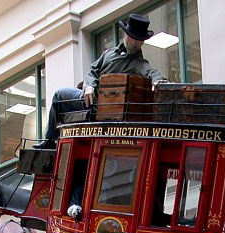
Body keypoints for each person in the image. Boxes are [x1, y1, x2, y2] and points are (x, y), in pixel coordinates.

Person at [33, 13, 167, 150]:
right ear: (125, 35)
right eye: (132, 37)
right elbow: (93, 70)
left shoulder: (137, 63)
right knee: (59, 96)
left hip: (102, 106)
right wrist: (89, 86)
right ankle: (50, 139)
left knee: (59, 95)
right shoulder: (109, 53)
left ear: (142, 42)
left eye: (138, 40)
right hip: (88, 98)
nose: (134, 43)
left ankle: (50, 141)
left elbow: (151, 72)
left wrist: (158, 81)